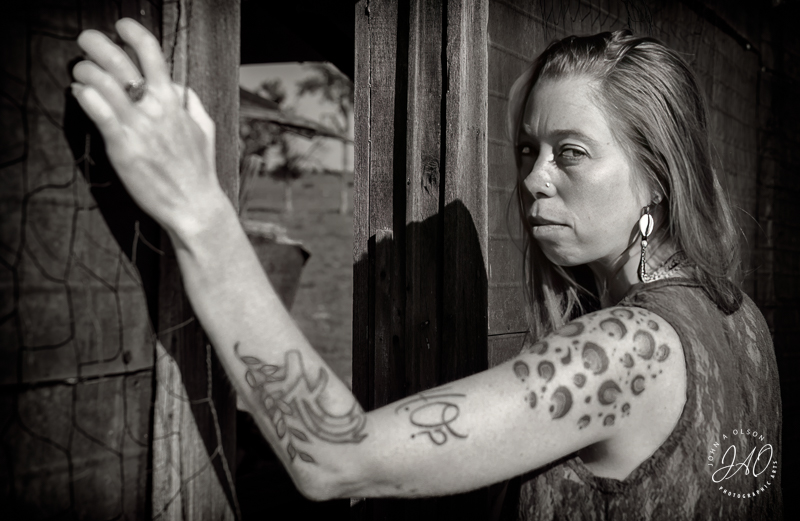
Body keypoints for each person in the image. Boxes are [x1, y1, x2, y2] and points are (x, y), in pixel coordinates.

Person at [71, 20, 782, 520]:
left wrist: (198, 208)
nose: (534, 179)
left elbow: (333, 458)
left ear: (657, 176)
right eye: (528, 150)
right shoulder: (741, 320)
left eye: (571, 152)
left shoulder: (627, 350)